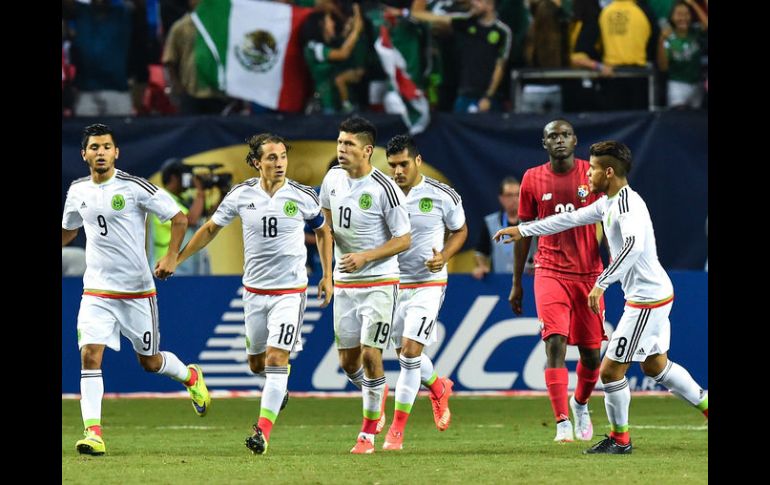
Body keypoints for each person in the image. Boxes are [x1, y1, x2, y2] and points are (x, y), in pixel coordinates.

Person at [495, 140, 709, 454]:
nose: (588, 175)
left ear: (608, 172)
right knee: (656, 366)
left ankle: (620, 440)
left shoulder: (626, 205)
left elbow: (633, 247)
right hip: (655, 294)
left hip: (647, 300)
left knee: (610, 371)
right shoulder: (608, 202)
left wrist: (601, 283)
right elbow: (567, 219)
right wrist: (523, 230)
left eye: (593, 169)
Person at [175, 133, 334, 455]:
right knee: (256, 364)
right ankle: (279, 386)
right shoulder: (240, 195)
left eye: (282, 157)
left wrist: (328, 275)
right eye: (271, 158)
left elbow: (322, 230)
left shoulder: (302, 195)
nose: (279, 163)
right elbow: (209, 229)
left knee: (277, 359)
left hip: (290, 292)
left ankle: (262, 432)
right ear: (255, 162)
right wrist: (176, 258)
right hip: (254, 293)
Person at [61, 123, 211, 456]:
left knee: (150, 362)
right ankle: (94, 433)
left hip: (137, 292)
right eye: (94, 147)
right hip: (97, 291)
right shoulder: (77, 190)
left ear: (117, 152)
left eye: (106, 147)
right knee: (89, 355)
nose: (101, 152)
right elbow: (68, 232)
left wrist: (171, 255)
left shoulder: (134, 187)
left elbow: (179, 217)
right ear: (84, 154)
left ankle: (189, 377)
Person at [506, 119, 606, 443]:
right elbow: (523, 233)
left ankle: (580, 404)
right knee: (555, 343)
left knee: (592, 355)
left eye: (565, 135)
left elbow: (610, 219)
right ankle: (562, 421)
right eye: (553, 136)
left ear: (575, 140)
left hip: (589, 273)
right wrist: (517, 282)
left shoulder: (590, 175)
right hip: (549, 270)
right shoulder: (532, 179)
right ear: (544, 143)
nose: (559, 140)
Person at [319, 116, 411, 454]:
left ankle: (368, 433)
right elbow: (325, 229)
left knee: (372, 354)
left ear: (368, 150)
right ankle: (376, 391)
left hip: (380, 281)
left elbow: (404, 239)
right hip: (344, 283)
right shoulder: (331, 179)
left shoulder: (384, 188)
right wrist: (327, 276)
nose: (341, 150)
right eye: (340, 143)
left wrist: (367, 256)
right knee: (348, 362)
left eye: (349, 145)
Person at [381, 134, 467, 450]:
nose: (398, 171)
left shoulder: (442, 194)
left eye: (403, 163)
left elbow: (460, 230)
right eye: (392, 165)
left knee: (410, 353)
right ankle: (438, 386)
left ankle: (396, 432)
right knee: (404, 354)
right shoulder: (381, 193)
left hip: (429, 285)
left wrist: (444, 256)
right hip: (392, 284)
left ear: (417, 161)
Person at [148, 159, 212, 275]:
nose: (189, 180)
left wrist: (223, 193)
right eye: (185, 176)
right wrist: (200, 191)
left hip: (189, 266)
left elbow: (207, 213)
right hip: (167, 267)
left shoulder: (184, 199)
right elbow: (191, 219)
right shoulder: (162, 199)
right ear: (174, 178)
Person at [472, 176, 528, 279]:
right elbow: (480, 252)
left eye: (517, 195)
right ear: (501, 198)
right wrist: (481, 266)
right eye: (509, 195)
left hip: (528, 282)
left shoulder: (532, 222)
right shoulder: (490, 223)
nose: (514, 199)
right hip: (499, 283)